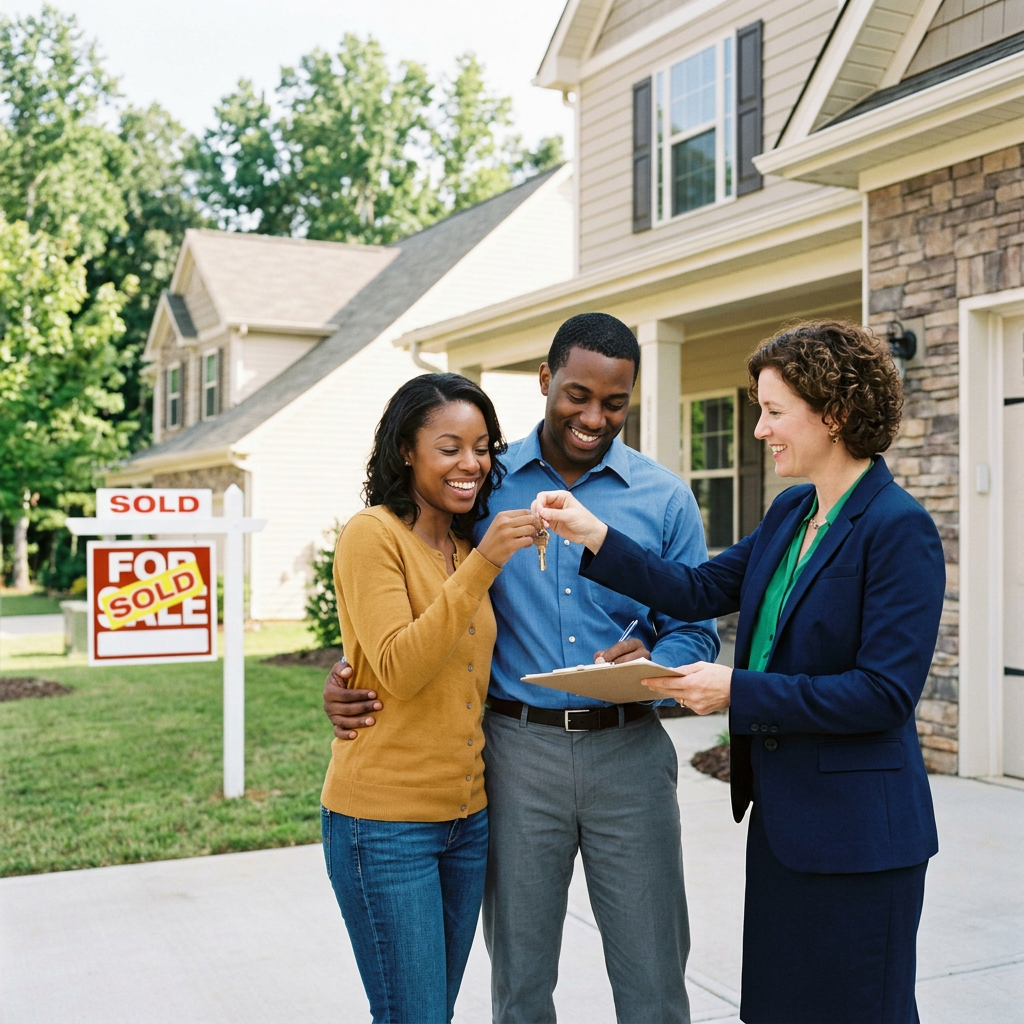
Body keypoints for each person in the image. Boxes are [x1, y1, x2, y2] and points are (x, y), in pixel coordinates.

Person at [532, 320, 945, 1024]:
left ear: (835, 415)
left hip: (860, 838)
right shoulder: (792, 513)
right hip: (787, 826)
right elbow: (695, 591)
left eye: (774, 412)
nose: (759, 430)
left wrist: (734, 691)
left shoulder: (898, 528)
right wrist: (592, 533)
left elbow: (883, 695)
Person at [325, 312, 719, 1024]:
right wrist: (347, 678)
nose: (593, 416)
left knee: (654, 973)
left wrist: (660, 658)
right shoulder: (479, 488)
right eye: (577, 394)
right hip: (512, 754)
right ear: (545, 381)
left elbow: (695, 626)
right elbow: (407, 599)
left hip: (628, 751)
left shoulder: (663, 498)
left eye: (615, 402)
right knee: (520, 980)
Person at [320, 373, 539, 1024]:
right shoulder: (374, 535)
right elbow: (397, 667)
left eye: (482, 446)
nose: (471, 463)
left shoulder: (465, 544)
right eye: (450, 447)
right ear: (405, 451)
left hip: (466, 824)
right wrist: (486, 564)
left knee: (427, 1013)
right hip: (385, 827)